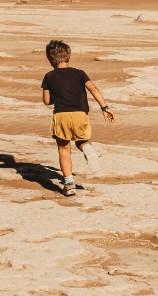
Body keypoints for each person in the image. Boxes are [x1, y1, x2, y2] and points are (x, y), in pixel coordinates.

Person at [41, 40, 115, 196]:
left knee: (63, 150)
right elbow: (93, 89)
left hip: (61, 116)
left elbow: (47, 101)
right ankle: (87, 148)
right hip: (80, 114)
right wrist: (104, 108)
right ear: (69, 58)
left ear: (49, 60)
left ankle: (69, 185)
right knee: (81, 141)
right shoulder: (79, 73)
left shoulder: (48, 77)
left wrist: (58, 96)